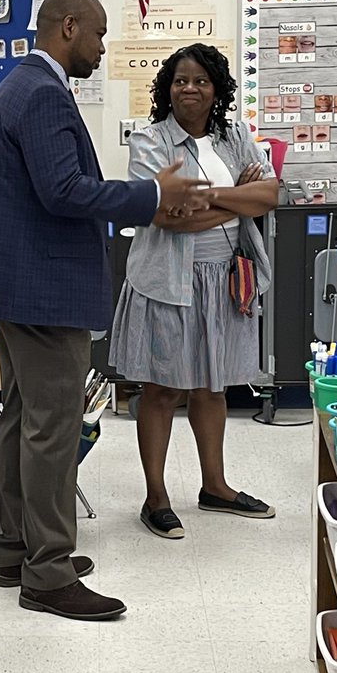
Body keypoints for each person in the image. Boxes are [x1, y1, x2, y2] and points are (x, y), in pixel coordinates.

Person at [0, 0, 213, 621]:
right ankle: (47, 573)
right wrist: (148, 195)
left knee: (23, 420)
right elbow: (65, 192)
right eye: (99, 36)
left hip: (13, 286)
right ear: (68, 27)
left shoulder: (14, 86)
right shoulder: (44, 93)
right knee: (52, 429)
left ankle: (19, 549)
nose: (103, 50)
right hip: (45, 292)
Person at [110, 43, 278, 541]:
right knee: (163, 389)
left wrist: (209, 198)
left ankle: (215, 487)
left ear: (216, 88)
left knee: (213, 385)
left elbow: (269, 194)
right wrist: (237, 202)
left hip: (224, 280)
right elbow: (167, 217)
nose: (190, 88)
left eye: (201, 80)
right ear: (167, 88)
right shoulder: (150, 141)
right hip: (168, 281)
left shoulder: (234, 135)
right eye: (180, 80)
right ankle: (156, 497)